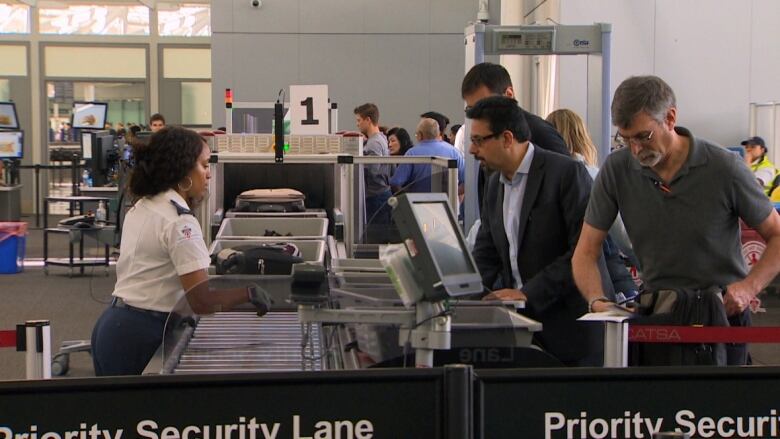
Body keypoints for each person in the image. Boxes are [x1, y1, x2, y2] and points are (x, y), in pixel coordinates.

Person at [572, 75, 780, 366]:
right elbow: (585, 251)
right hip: (659, 316)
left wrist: (748, 288)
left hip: (722, 314)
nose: (635, 149)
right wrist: (596, 300)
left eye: (643, 136)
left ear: (670, 118)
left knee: (721, 409)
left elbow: (776, 235)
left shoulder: (725, 168)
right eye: (625, 138)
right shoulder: (617, 170)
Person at [91, 126, 271, 376]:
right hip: (141, 335)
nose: (208, 175)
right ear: (184, 170)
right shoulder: (179, 221)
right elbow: (202, 302)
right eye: (204, 165)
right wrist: (249, 293)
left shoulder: (144, 205)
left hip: (113, 326)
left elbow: (158, 265)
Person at [469, 96, 612, 367]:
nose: (472, 150)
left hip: (573, 331)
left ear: (507, 138)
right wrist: (462, 296)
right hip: (526, 330)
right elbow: (486, 253)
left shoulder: (566, 174)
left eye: (479, 140)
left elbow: (583, 253)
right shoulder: (493, 184)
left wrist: (527, 293)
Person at [546, 108, 637, 295]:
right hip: (608, 279)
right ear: (581, 137)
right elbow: (624, 238)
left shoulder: (547, 183)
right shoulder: (593, 176)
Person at [390, 118, 464, 194]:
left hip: (417, 203)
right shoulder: (454, 152)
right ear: (438, 134)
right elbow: (465, 182)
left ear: (420, 135)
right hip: (447, 203)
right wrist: (451, 194)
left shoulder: (412, 153)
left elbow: (396, 182)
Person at [353, 103, 392, 225]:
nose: (357, 124)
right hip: (380, 194)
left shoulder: (374, 144)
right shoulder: (379, 139)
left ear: (368, 120)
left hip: (376, 197)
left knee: (375, 237)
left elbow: (372, 171)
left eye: (359, 120)